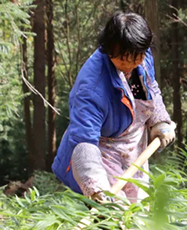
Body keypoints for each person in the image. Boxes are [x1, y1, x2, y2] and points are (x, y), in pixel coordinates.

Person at [52, 12, 176, 204]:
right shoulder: (91, 88)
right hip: (103, 150)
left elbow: (150, 87)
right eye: (123, 60)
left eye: (137, 58)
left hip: (134, 144)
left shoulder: (140, 52)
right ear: (109, 51)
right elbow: (83, 143)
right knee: (114, 211)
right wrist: (96, 186)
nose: (131, 65)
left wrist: (159, 120)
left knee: (139, 207)